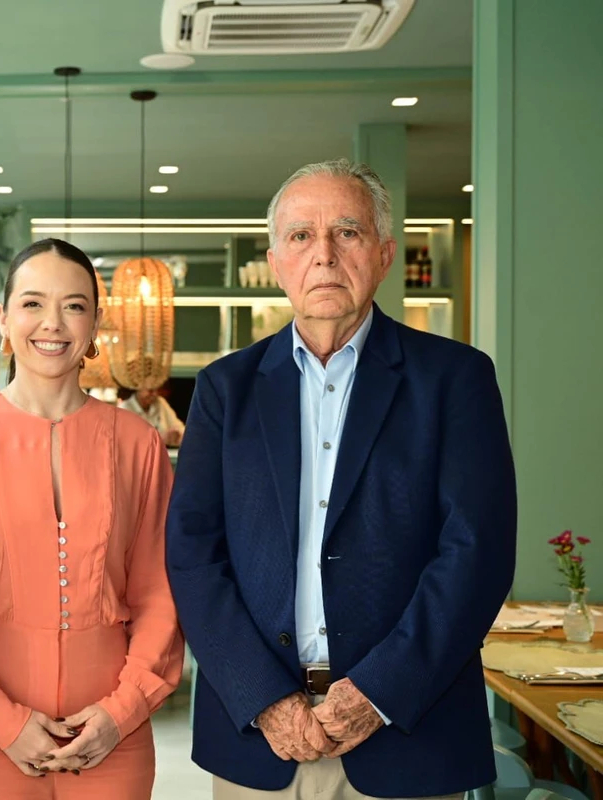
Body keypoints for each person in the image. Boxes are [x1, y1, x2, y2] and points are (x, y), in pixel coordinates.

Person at [167, 159, 516, 800]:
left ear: (384, 254)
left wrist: (378, 693)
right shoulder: (224, 389)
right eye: (301, 236)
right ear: (276, 263)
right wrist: (264, 698)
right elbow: (193, 557)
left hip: (409, 734)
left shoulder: (456, 379)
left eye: (347, 232)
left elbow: (476, 554)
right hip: (260, 740)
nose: (323, 255)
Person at [0, 238, 183, 800]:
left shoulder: (138, 443)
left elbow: (161, 592)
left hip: (110, 738)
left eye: (74, 305)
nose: (53, 323)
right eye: (33, 303)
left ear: (95, 324)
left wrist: (123, 710)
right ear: (3, 318)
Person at [118, 384, 185, 446]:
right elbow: (128, 442)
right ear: (138, 388)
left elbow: (180, 428)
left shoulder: (160, 402)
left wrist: (177, 434)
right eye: (150, 391)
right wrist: (161, 439)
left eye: (157, 390)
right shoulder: (124, 408)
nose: (155, 394)